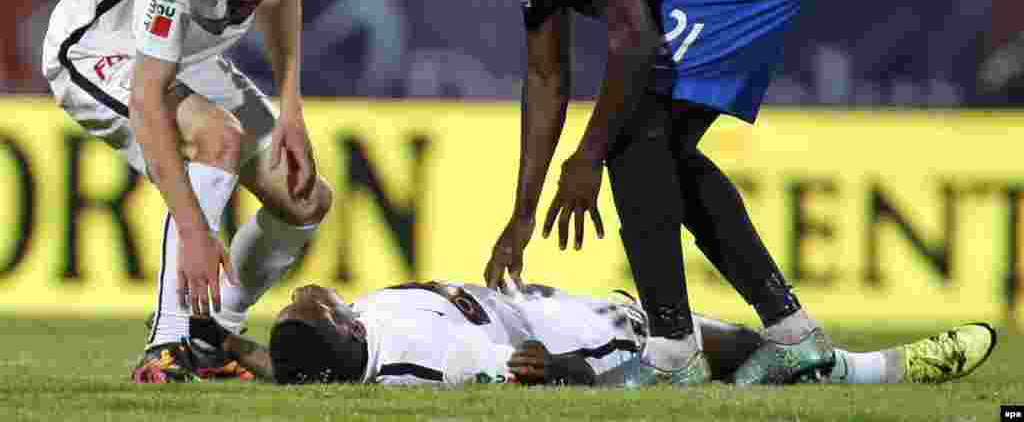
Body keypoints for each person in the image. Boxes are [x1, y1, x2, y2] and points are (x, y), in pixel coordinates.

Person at [395, 0, 836, 385]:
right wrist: (523, 214)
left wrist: (587, 157)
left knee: (633, 140)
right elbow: (546, 75)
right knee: (654, 145)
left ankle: (675, 349)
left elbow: (635, 43)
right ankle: (789, 332)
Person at [42, 0, 340, 383]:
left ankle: (212, 333)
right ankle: (167, 344)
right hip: (102, 49)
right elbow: (147, 96)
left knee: (304, 201)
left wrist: (291, 108)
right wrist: (196, 229)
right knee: (217, 138)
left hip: (187, 55)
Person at [182, 281, 996, 387]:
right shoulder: (428, 359)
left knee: (681, 338)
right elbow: (528, 366)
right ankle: (874, 370)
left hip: (509, 297)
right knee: (682, 337)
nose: (304, 292)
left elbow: (291, 368)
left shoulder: (332, 347)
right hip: (535, 323)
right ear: (344, 327)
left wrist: (227, 349)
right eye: (309, 304)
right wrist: (576, 361)